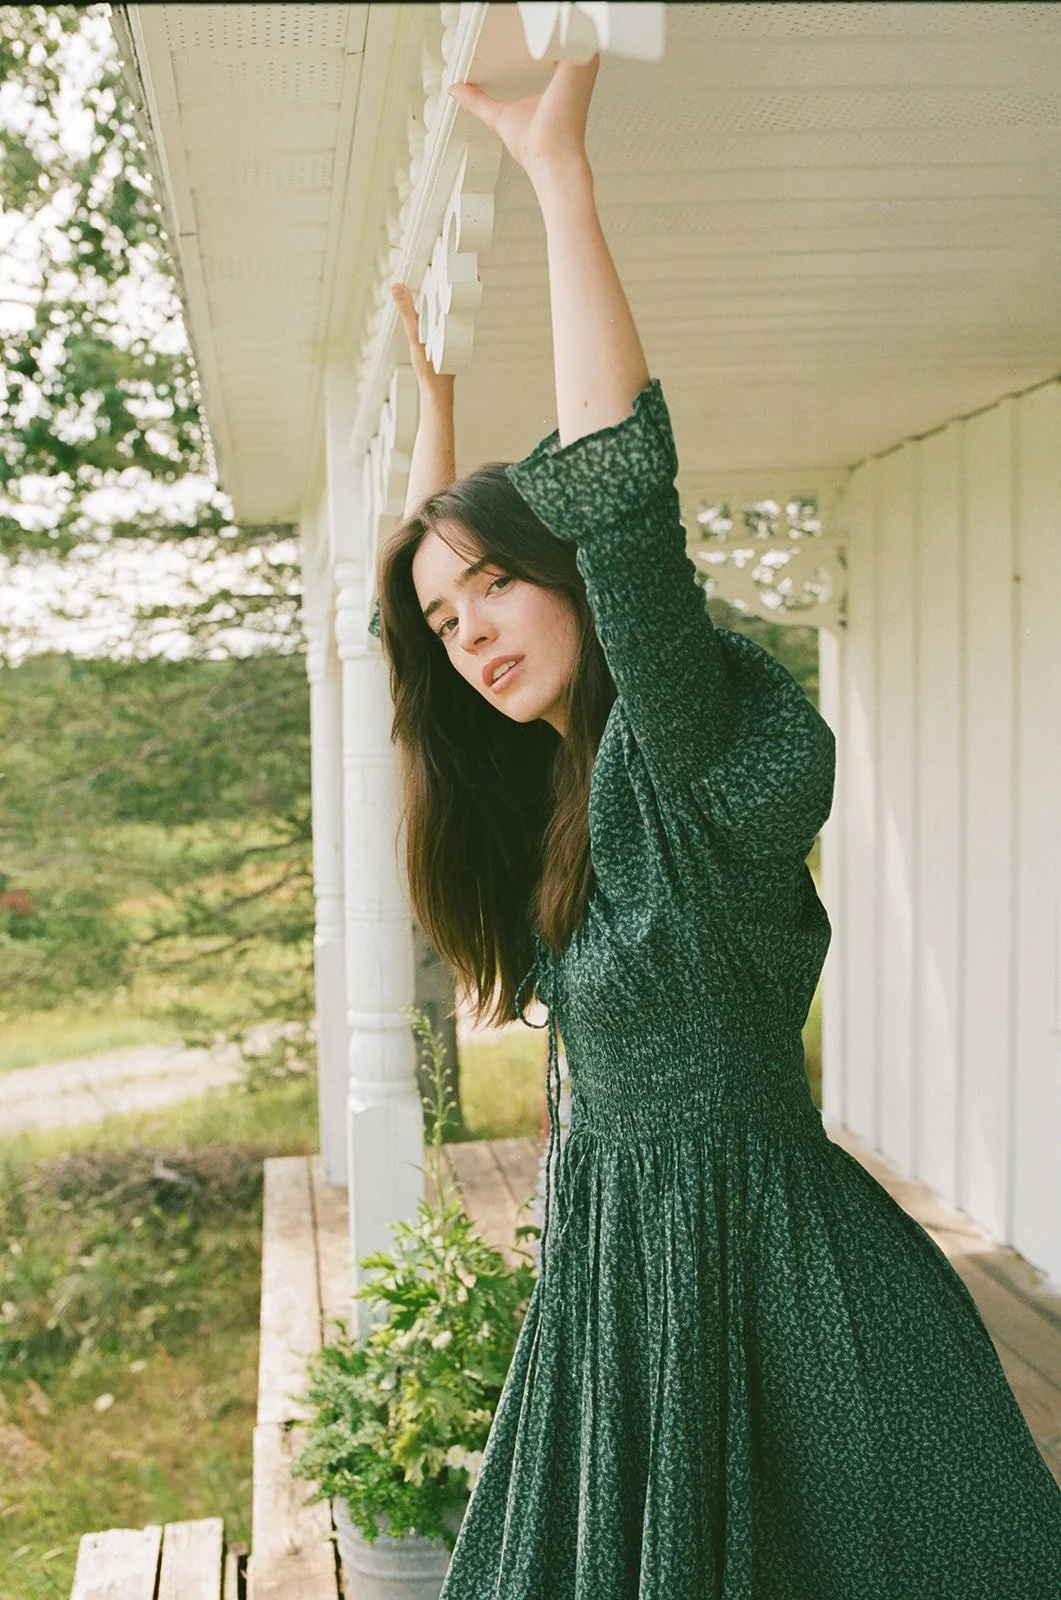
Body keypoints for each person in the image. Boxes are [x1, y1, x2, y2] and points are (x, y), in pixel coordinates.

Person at [374, 56, 1061, 1600]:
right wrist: (432, 440)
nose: (472, 637)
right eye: (448, 621)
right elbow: (413, 656)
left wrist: (559, 176)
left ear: (572, 578)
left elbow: (623, 501)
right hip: (622, 1270)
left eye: (498, 587)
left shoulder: (668, 755)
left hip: (772, 1271)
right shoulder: (558, 791)